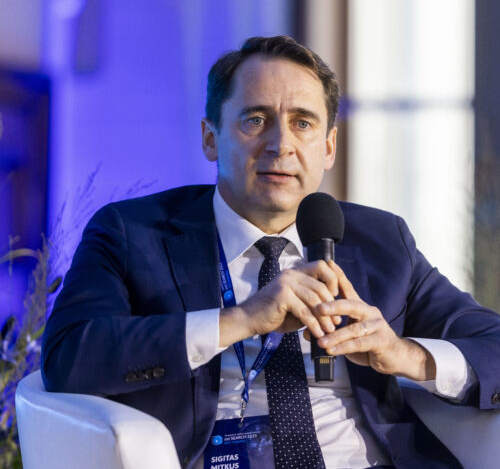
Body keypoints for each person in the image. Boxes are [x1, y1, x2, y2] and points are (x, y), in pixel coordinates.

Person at [41, 36, 500, 469]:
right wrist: (239, 320)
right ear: (210, 138)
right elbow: (68, 357)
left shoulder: (380, 240)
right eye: (255, 120)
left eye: (303, 123)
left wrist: (402, 354)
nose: (281, 145)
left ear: (328, 147)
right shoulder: (133, 233)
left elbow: (493, 345)